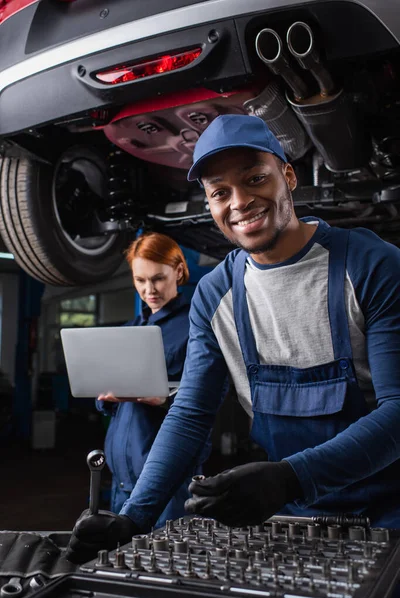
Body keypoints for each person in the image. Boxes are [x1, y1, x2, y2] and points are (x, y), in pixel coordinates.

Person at [67, 114, 400, 562]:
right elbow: (189, 413)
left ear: (288, 176)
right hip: (293, 518)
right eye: (220, 192)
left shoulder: (369, 265)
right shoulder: (215, 293)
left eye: (255, 178)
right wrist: (133, 518)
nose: (239, 201)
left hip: (388, 512)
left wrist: (288, 477)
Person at [94, 232, 206, 532]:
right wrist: (105, 395)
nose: (149, 289)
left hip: (167, 483)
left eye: (157, 278)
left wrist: (165, 398)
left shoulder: (195, 327)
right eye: (140, 280)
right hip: (121, 479)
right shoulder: (133, 328)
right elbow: (109, 397)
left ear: (179, 272)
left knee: (167, 563)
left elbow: (209, 394)